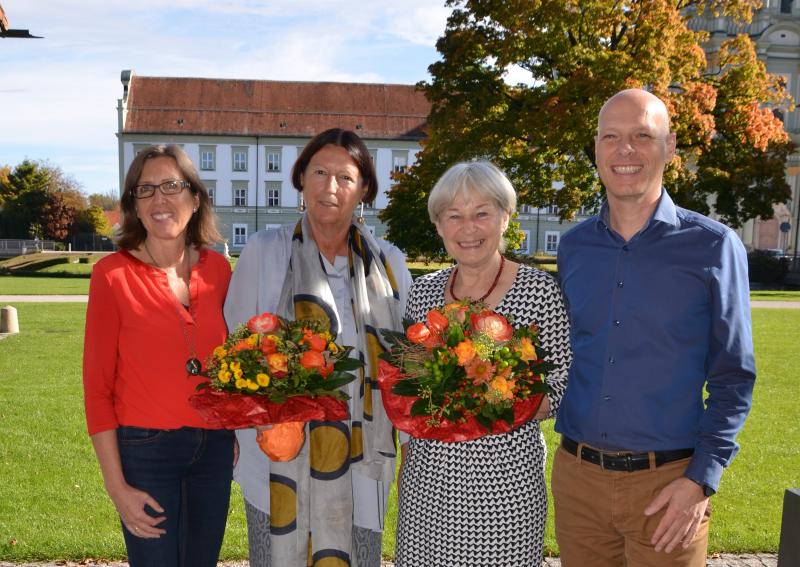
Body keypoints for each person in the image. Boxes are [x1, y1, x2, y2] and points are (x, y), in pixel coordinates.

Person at [553, 89, 756, 566]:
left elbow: (733, 379)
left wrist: (701, 479)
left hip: (669, 485)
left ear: (669, 148)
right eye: (612, 137)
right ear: (597, 149)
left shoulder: (714, 247)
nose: (625, 151)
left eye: (642, 136)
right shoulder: (574, 248)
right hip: (578, 480)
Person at [224, 128, 412, 567]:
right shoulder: (264, 252)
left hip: (361, 462)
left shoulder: (389, 263)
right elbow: (234, 349)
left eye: (345, 177)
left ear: (364, 188)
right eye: (319, 173)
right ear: (300, 180)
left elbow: (400, 365)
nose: (331, 187)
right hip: (278, 457)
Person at [394, 161, 572, 567]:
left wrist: (501, 403)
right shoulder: (422, 294)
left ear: (505, 218)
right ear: (439, 226)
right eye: (453, 216)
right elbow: (406, 384)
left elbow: (564, 380)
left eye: (481, 213)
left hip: (504, 488)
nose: (467, 228)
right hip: (428, 485)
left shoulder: (539, 291)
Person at [82, 144, 235, 567]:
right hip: (146, 450)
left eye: (171, 185)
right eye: (145, 189)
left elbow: (232, 362)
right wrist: (117, 487)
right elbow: (97, 390)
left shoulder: (219, 271)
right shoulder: (110, 276)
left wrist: (232, 425)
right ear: (133, 204)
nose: (159, 200)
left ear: (195, 197)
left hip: (215, 449)